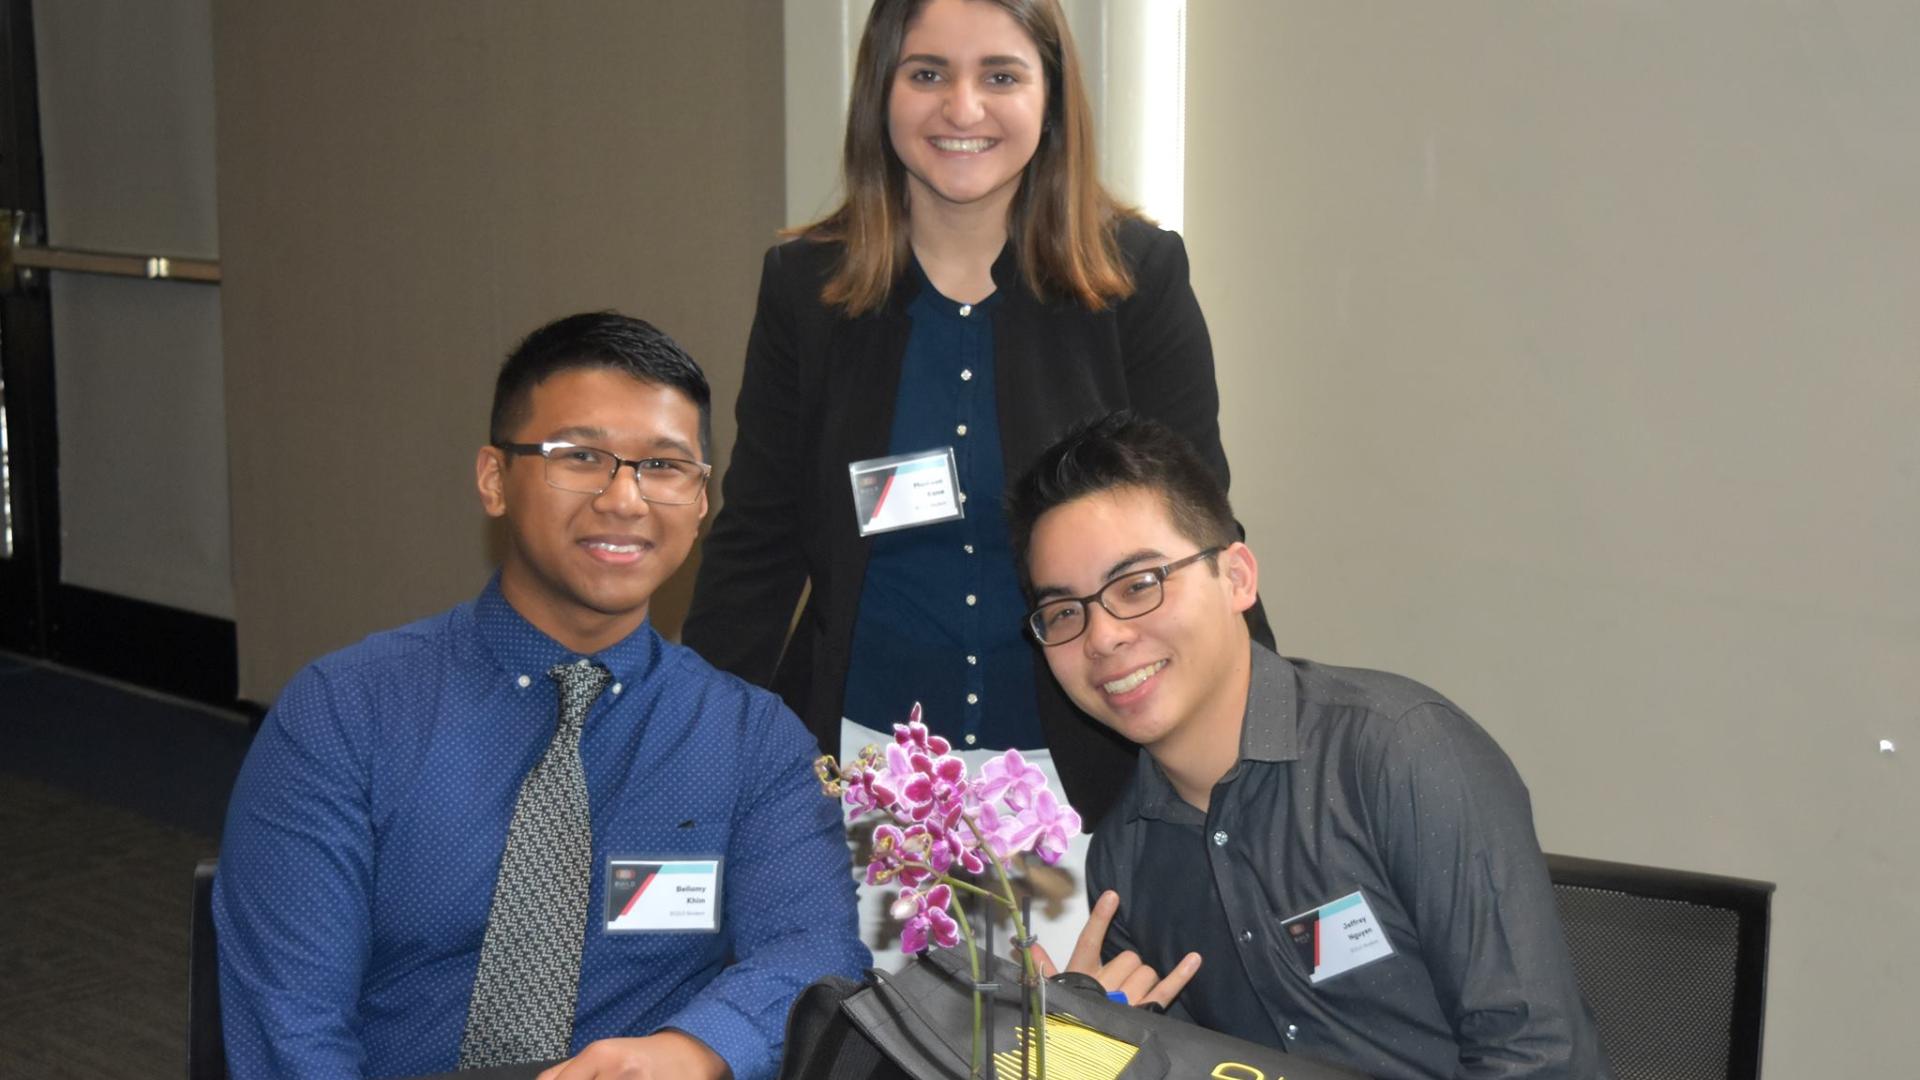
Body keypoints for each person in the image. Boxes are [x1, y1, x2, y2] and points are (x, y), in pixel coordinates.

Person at [683, 0, 1270, 963]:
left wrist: (1268, 778)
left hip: (1080, 786)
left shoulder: (1138, 278)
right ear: (881, 90)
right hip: (859, 787)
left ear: (1050, 96)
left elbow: (1195, 539)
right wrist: (687, 762)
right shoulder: (808, 288)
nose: (964, 106)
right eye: (926, 73)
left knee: (1056, 1052)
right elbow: (755, 545)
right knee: (875, 1050)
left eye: (1001, 74)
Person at [213, 313, 867, 1080]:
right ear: (494, 478)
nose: (625, 500)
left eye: (663, 467)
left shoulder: (750, 738)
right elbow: (290, 1021)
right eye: (581, 456)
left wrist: (695, 1049)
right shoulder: (347, 713)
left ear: (699, 504)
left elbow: (814, 947)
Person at [1006, 413, 1611, 1080]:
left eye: (1138, 585)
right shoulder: (1128, 856)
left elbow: (1540, 1061)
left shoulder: (1398, 755)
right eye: (1065, 612)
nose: (1103, 637)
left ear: (1236, 578)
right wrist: (1090, 1055)